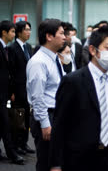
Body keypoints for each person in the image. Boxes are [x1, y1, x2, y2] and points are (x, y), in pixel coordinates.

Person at [49, 25, 108, 171]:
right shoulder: (74, 81)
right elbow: (60, 125)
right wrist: (56, 164)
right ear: (93, 50)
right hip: (80, 160)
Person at [27, 19, 66, 171]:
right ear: (49, 36)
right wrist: (45, 123)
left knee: (56, 162)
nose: (65, 37)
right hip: (47, 117)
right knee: (46, 162)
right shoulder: (38, 62)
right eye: (61, 33)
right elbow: (38, 96)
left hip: (57, 115)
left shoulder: (55, 58)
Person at [8, 21, 35, 155]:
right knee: (16, 118)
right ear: (19, 32)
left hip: (27, 88)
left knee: (26, 117)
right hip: (17, 88)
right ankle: (15, 144)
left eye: (30, 30)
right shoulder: (12, 48)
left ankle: (24, 143)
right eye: (26, 30)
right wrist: (11, 91)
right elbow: (11, 71)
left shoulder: (29, 47)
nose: (29, 32)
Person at [0, 20, 25, 164]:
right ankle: (12, 154)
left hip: (4, 93)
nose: (14, 35)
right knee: (5, 123)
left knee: (2, 123)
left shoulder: (5, 48)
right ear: (4, 32)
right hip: (0, 94)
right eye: (12, 31)